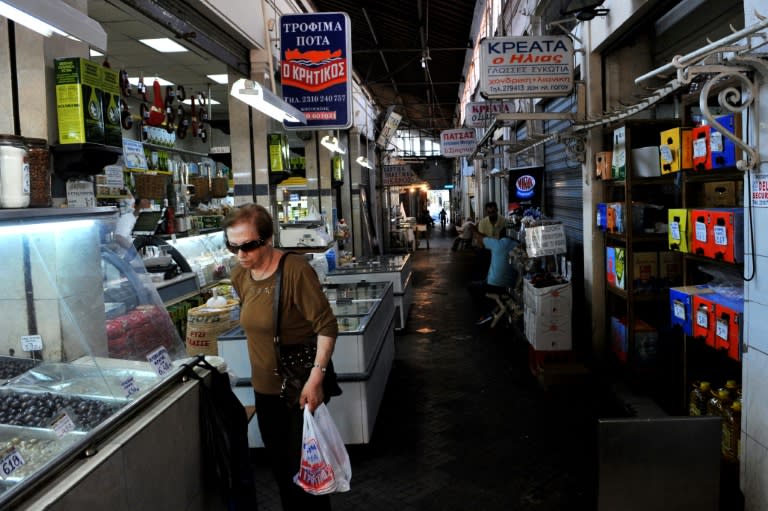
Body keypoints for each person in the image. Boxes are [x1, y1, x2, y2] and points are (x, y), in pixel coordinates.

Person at [226, 203, 338, 511]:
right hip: (265, 393)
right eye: (232, 246)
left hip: (298, 389)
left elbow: (327, 325)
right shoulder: (241, 275)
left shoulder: (295, 270)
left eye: (248, 245)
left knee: (307, 475)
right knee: (281, 471)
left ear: (267, 239)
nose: (240, 254)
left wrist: (316, 379)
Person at [469, 224, 518, 325]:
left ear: (499, 236)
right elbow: (485, 237)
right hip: (510, 285)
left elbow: (482, 238)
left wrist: (474, 229)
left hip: (495, 285)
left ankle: (485, 312)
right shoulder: (516, 245)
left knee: (471, 286)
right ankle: (493, 307)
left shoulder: (497, 244)